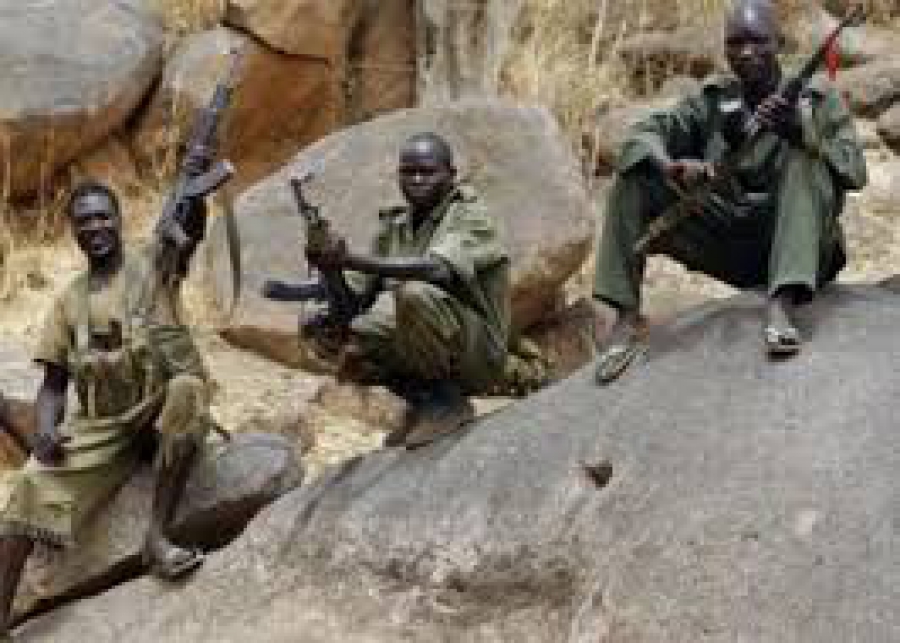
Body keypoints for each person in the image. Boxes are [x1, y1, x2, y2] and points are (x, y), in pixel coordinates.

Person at [591, 0, 867, 384]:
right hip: (733, 244)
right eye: (735, 43)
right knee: (636, 176)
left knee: (805, 162)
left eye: (758, 41)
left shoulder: (816, 98)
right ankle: (624, 314)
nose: (746, 52)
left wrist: (800, 132)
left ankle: (781, 304)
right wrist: (672, 167)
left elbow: (856, 171)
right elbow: (643, 136)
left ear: (779, 44)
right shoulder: (715, 99)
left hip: (801, 250)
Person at [0, 180, 215, 640]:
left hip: (157, 412)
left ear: (120, 221)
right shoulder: (69, 301)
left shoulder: (154, 267)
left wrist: (194, 198)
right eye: (84, 221)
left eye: (104, 216)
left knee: (188, 388)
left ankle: (156, 538)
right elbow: (53, 385)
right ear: (74, 232)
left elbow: (189, 236)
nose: (95, 226)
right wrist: (44, 429)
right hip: (104, 426)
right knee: (30, 486)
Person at [266, 133, 511, 447]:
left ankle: (446, 404)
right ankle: (422, 403)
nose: (417, 179)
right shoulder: (393, 227)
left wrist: (351, 258)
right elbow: (355, 299)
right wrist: (331, 270)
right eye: (409, 172)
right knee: (337, 329)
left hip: (478, 355)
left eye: (427, 171)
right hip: (429, 346)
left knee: (414, 295)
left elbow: (435, 269)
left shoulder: (470, 216)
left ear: (450, 176)